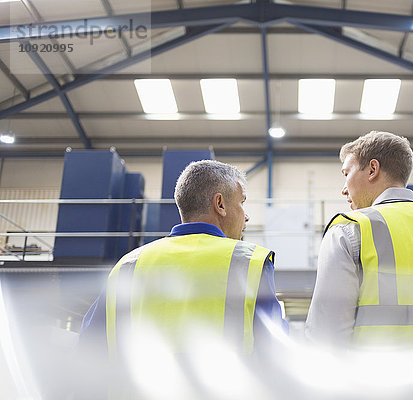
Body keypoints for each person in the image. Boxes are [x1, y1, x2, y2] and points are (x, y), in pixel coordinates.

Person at [77, 160, 286, 396]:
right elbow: (278, 358)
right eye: (242, 203)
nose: (246, 217)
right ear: (220, 204)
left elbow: (88, 353)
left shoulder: (128, 266)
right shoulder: (249, 264)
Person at [305, 131, 413, 348]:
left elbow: (326, 338)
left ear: (372, 169)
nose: (344, 189)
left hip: (378, 380)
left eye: (346, 173)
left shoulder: (349, 230)